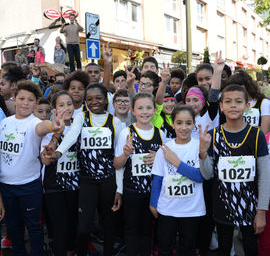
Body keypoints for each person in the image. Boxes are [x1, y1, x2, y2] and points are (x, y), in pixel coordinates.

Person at [46, 83, 123, 256]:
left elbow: (118, 157)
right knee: (83, 226)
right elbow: (72, 136)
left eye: (98, 98)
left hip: (108, 180)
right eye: (89, 99)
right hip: (87, 181)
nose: (94, 102)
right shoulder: (81, 117)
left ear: (106, 100)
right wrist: (58, 152)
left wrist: (119, 188)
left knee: (109, 224)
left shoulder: (115, 122)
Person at [199, 84, 270, 256]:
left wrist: (261, 212)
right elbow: (208, 174)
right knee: (224, 247)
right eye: (228, 101)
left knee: (250, 248)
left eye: (238, 102)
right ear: (221, 106)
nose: (233, 105)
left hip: (250, 207)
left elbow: (264, 176)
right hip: (223, 205)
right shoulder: (214, 135)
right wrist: (202, 152)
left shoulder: (256, 135)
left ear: (247, 106)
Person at [0, 81, 65, 256]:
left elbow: (43, 127)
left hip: (29, 187)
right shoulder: (4, 123)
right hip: (6, 187)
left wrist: (54, 125)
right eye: (22, 98)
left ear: (36, 103)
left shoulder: (34, 123)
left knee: (34, 228)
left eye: (30, 100)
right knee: (13, 228)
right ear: (14, 100)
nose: (25, 103)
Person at [114, 92, 165, 256]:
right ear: (133, 111)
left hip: (153, 192)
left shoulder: (160, 133)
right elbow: (117, 164)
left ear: (155, 110)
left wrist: (159, 158)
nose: (145, 112)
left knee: (148, 230)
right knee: (131, 230)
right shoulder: (126, 133)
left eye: (149, 107)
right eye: (140, 108)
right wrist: (125, 154)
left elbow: (167, 164)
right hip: (132, 192)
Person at [150, 105, 205, 256]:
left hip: (192, 210)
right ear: (173, 124)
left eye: (188, 123)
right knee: (165, 247)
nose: (184, 127)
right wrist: (153, 202)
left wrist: (177, 162)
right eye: (179, 123)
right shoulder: (165, 148)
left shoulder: (199, 146)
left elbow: (200, 176)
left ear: (194, 124)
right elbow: (158, 178)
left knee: (187, 248)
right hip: (167, 208)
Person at [41, 91, 79, 256]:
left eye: (69, 104)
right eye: (61, 105)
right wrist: (57, 133)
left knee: (73, 225)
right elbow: (46, 160)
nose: (66, 108)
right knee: (60, 228)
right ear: (54, 109)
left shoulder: (80, 127)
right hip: (54, 186)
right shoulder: (49, 129)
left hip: (74, 185)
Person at [227, 70, 270, 134]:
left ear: (243, 87)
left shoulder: (264, 103)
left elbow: (264, 131)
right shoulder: (232, 104)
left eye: (233, 89)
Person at [151, 63, 176, 141]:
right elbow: (159, 102)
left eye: (172, 100)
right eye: (166, 101)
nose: (170, 104)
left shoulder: (177, 117)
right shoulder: (155, 116)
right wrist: (164, 82)